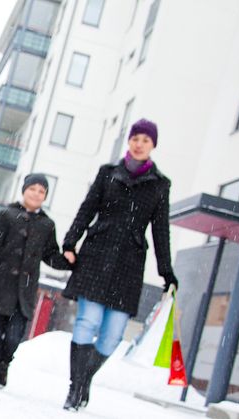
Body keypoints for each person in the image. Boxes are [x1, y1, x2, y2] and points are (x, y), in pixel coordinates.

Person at [60, 119, 179, 411]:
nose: (139, 144)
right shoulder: (108, 174)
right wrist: (70, 242)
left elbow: (160, 230)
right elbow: (87, 208)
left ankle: (84, 379)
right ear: (129, 141)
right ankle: (75, 389)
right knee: (88, 321)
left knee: (113, 333)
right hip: (97, 253)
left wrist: (167, 273)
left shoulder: (160, 185)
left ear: (153, 146)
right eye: (135, 138)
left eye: (145, 140)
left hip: (129, 262)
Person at [0, 174, 73, 389]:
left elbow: (50, 255)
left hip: (26, 290)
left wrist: (68, 262)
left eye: (42, 191)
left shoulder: (47, 224)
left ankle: (3, 366)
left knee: (14, 335)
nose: (36, 194)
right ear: (24, 190)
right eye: (33, 189)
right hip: (1, 285)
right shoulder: (6, 215)